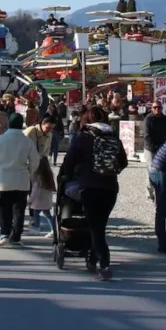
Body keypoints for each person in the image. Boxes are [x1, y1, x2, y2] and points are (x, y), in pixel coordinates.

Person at [60, 106, 127, 280]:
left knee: (95, 227)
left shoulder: (82, 138)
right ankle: (94, 258)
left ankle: (103, 264)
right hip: (110, 187)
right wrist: (109, 170)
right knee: (100, 225)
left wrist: (70, 174)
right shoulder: (113, 137)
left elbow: (68, 162)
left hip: (89, 187)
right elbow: (123, 162)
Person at [0, 113, 40, 246]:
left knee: (3, 208)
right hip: (21, 179)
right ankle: (16, 236)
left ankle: (4, 233)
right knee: (19, 209)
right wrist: (28, 172)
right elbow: (35, 161)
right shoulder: (27, 141)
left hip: (3, 179)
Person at [143, 101, 166, 201]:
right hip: (150, 148)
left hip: (162, 147)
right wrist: (154, 148)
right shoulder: (148, 119)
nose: (157, 109)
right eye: (155, 107)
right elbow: (146, 136)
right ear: (152, 109)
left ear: (162, 108)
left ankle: (162, 191)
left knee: (163, 169)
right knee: (151, 170)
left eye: (159, 107)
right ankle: (149, 192)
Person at [30, 156, 55, 236]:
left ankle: (36, 227)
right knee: (48, 215)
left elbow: (35, 191)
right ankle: (53, 229)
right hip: (46, 200)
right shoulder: (49, 175)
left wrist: (30, 200)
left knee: (36, 213)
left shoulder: (38, 177)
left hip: (38, 200)